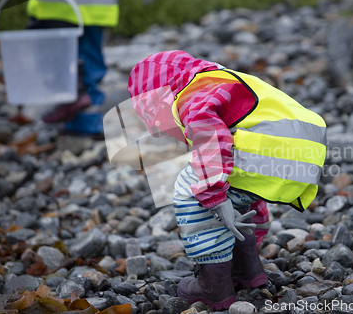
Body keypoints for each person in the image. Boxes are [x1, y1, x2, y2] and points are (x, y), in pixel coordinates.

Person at [127, 51, 327, 310]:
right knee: (235, 190)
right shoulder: (216, 80)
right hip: (303, 150)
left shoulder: (189, 95)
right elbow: (246, 177)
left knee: (192, 188)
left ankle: (214, 286)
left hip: (269, 150)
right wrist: (238, 203)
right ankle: (247, 269)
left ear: (158, 99)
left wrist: (214, 196)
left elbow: (212, 139)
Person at [26, 0, 122, 135]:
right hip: (99, 0)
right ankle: (87, 124)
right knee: (90, 64)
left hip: (56, 1)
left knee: (54, 61)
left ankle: (73, 106)